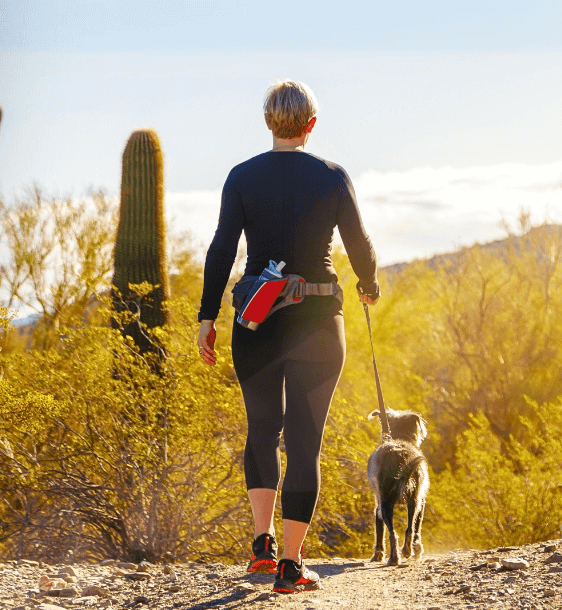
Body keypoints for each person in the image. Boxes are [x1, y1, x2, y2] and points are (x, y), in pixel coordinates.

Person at [196, 80, 380, 594]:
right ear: (311, 125)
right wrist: (368, 287)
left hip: (254, 320)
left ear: (268, 121)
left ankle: (261, 548)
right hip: (318, 320)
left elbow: (220, 251)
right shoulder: (331, 176)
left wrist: (207, 317)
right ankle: (292, 568)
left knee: (261, 429)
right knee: (304, 443)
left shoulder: (241, 176)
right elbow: (359, 245)